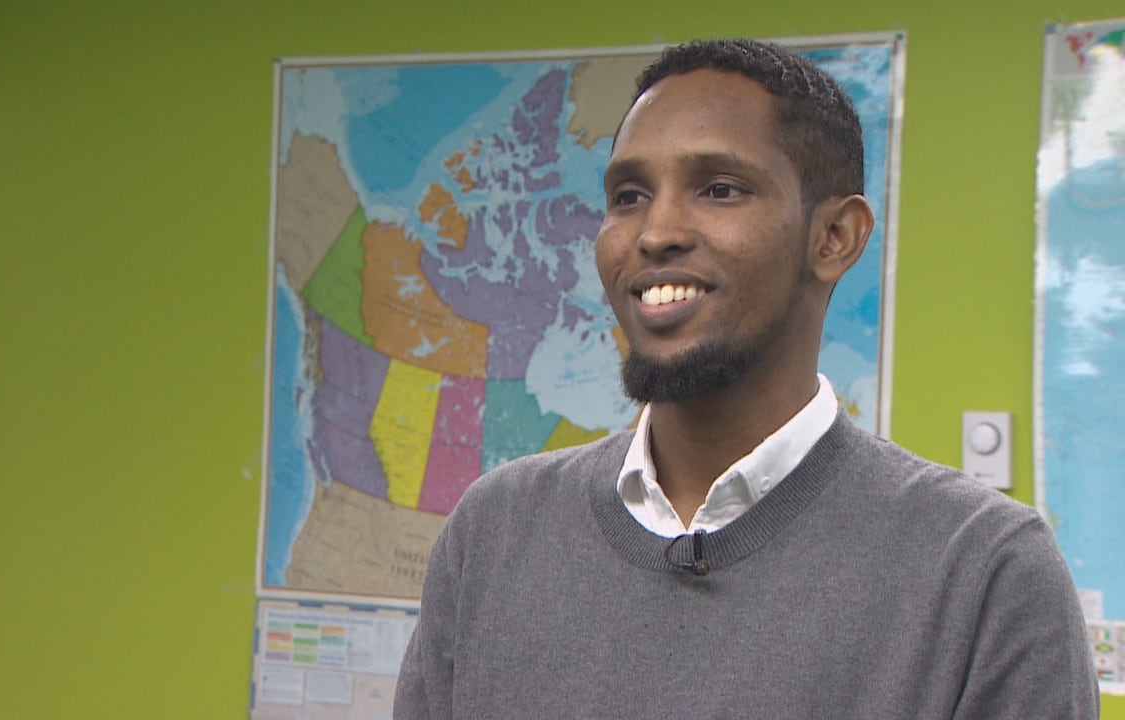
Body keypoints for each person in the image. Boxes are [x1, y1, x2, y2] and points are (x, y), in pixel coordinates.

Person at [393, 38, 1098, 719]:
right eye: (629, 195)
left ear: (834, 238)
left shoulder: (983, 571)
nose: (656, 231)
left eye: (719, 189)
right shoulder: (494, 533)